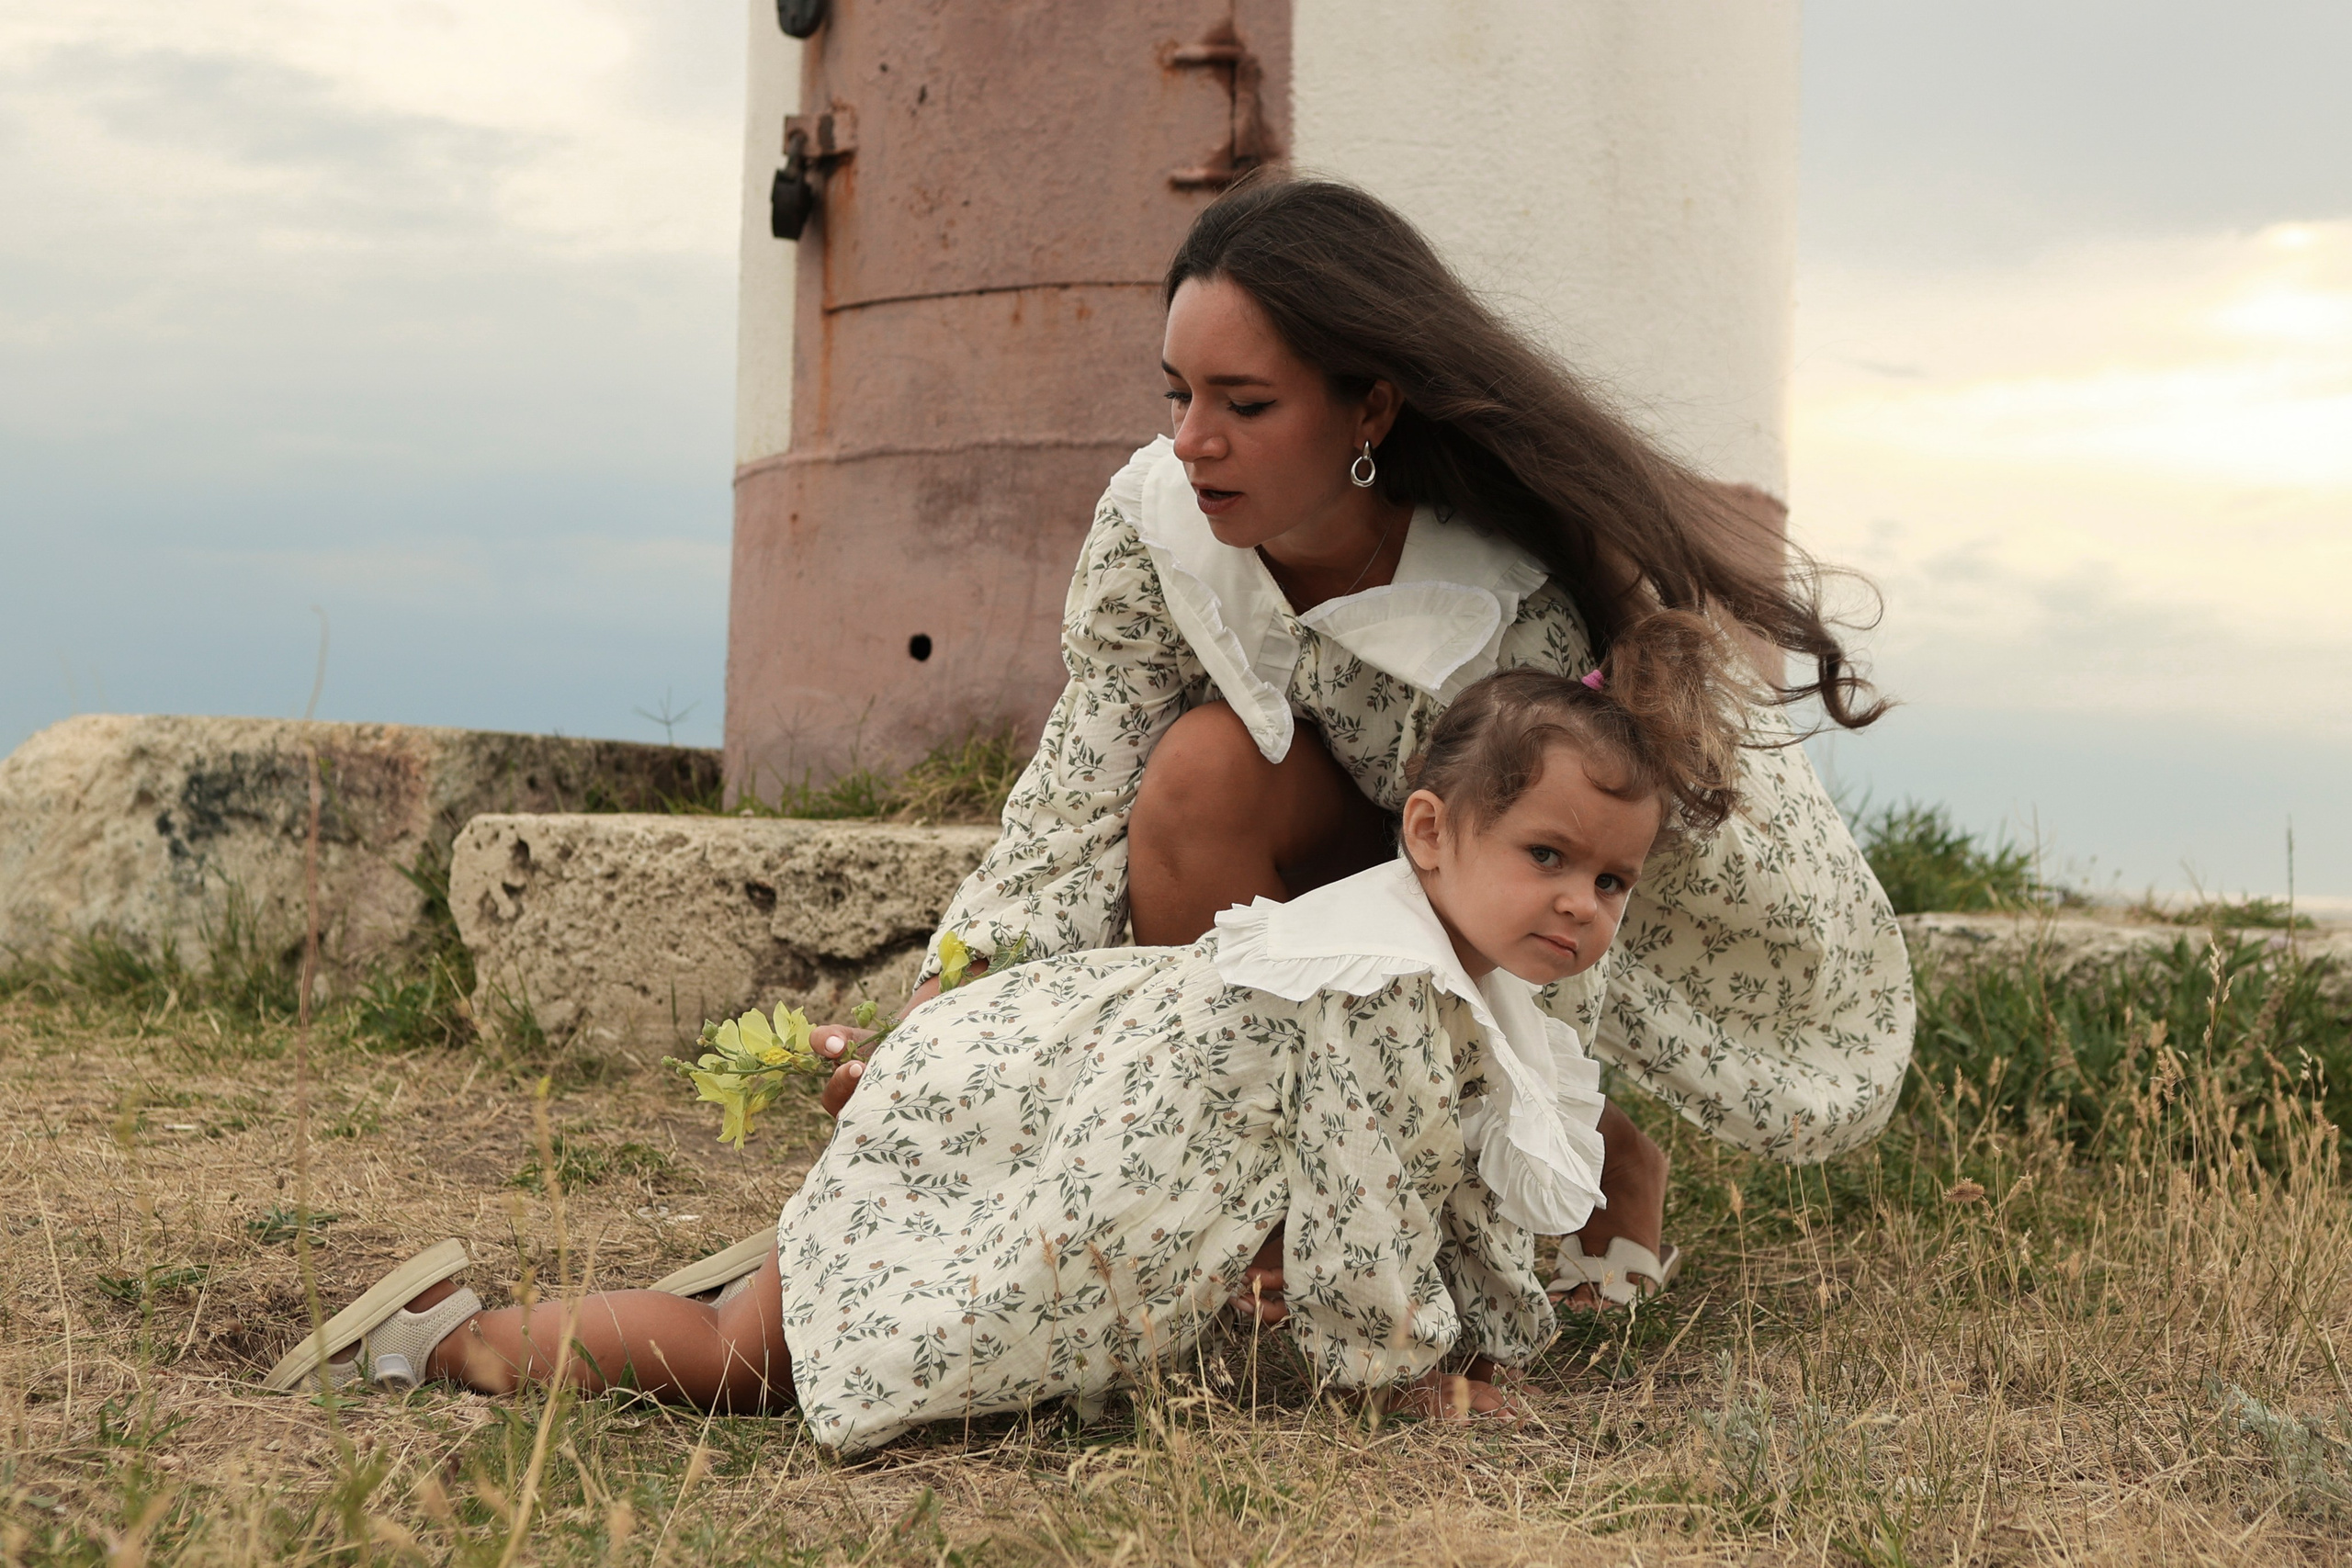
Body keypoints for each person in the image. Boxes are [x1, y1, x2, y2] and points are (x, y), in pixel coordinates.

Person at [806, 172, 1912, 1308]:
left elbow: (1552, 888)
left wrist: (1541, 1147)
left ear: (1368, 413)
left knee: (1510, 882)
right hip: (1364, 837)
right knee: (1197, 770)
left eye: (1245, 405)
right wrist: (948, 1012)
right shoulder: (1157, 531)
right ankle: (1267, 1190)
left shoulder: (1509, 606)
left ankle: (1601, 1162)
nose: (1194, 442)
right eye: (1177, 394)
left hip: (1501, 871)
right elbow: (1077, 794)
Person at [265, 620, 1746, 1451]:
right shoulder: (1368, 980)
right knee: (747, 1361)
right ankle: (448, 1343)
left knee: (791, 1314)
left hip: (1006, 1113)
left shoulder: (1444, 975)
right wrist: (1416, 1370)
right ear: (1430, 830)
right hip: (1000, 1133)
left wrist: (1495, 1330)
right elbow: (1364, 1216)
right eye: (1546, 856)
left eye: (1611, 878)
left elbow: (1448, 1186)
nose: (1579, 903)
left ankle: (615, 1302)